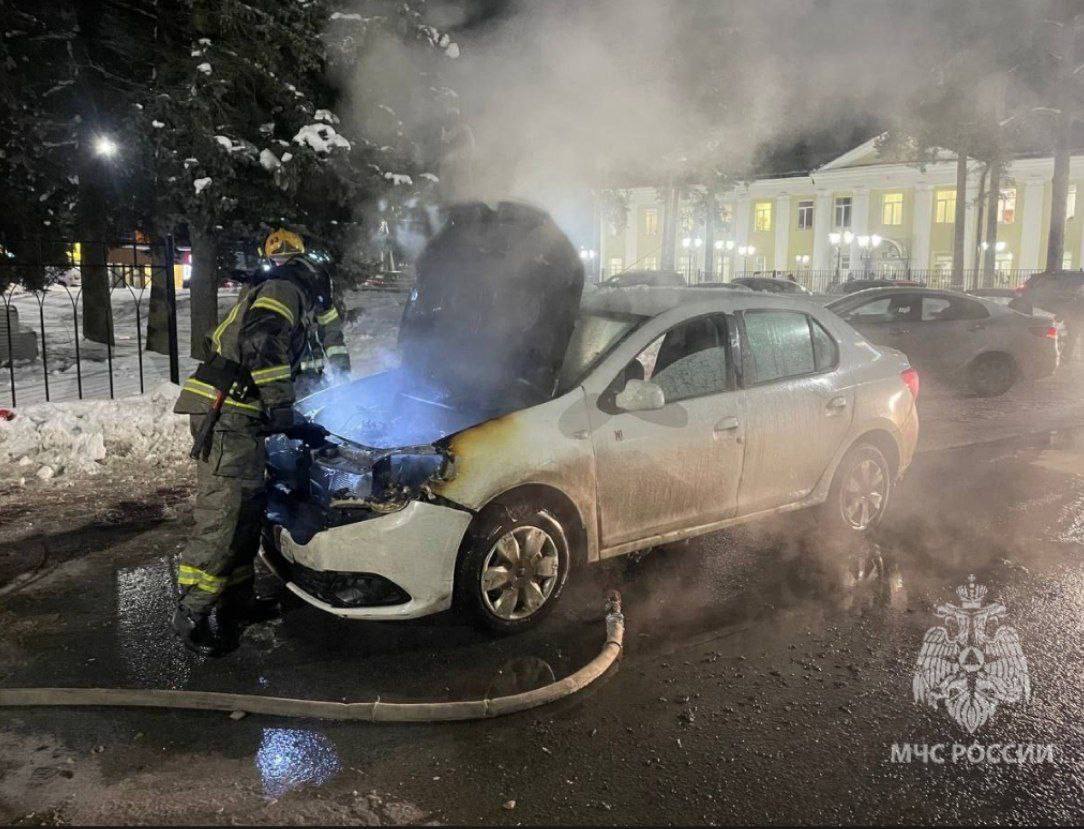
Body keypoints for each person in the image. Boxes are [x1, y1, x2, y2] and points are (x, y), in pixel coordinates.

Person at [170, 228, 340, 656]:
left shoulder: (288, 288)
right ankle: (191, 613)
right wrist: (282, 407)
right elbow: (261, 343)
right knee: (223, 515)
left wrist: (297, 413)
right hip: (225, 411)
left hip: (241, 414)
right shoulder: (287, 287)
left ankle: (237, 602)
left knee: (247, 511)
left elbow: (286, 353)